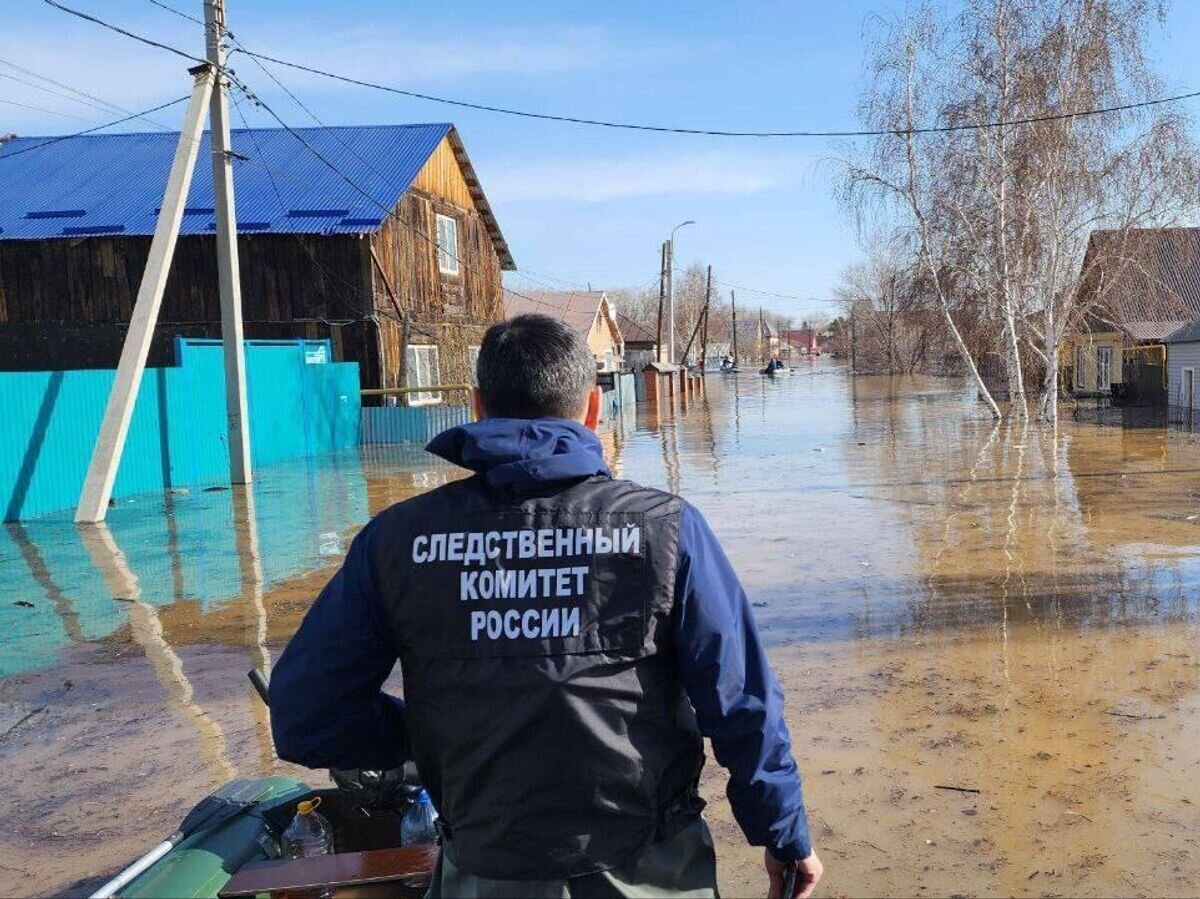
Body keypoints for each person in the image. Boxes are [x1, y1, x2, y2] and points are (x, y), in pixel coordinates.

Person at [269, 314, 823, 899]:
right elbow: (741, 703)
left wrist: (424, 735)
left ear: (477, 407)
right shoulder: (666, 531)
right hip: (648, 868)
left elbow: (307, 714)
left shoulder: (397, 541)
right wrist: (783, 834)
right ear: (592, 409)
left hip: (483, 871)